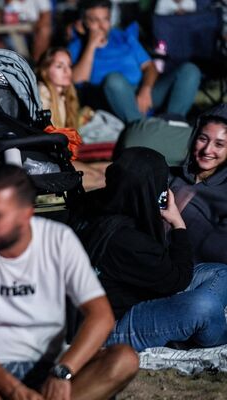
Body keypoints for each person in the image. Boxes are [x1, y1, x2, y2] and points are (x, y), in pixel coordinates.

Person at [0, 164, 139, 399]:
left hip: (52, 361)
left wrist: (63, 371)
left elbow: (101, 316)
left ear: (25, 214)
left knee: (124, 358)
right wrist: (12, 388)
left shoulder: (58, 239)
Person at [78, 147, 227, 351]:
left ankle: (180, 326)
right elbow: (178, 279)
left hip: (127, 293)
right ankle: (212, 335)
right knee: (203, 307)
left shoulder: (96, 203)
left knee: (221, 273)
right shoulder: (129, 241)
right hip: (109, 328)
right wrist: (177, 223)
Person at [68, 0, 201, 123]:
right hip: (110, 99)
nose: (102, 26)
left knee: (190, 70)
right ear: (83, 23)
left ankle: (173, 125)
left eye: (106, 19)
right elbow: (77, 81)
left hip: (140, 94)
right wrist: (91, 45)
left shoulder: (123, 37)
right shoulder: (77, 46)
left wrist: (146, 89)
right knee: (114, 80)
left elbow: (149, 67)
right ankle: (141, 129)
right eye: (94, 21)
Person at [36, 46, 109, 191]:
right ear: (45, 70)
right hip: (48, 161)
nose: (67, 71)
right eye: (59, 66)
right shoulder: (41, 94)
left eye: (69, 66)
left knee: (111, 168)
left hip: (61, 157)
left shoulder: (65, 95)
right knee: (101, 179)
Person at [170, 104, 227, 264]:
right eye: (203, 139)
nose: (207, 150)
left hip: (199, 274)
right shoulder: (168, 174)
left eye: (219, 144)